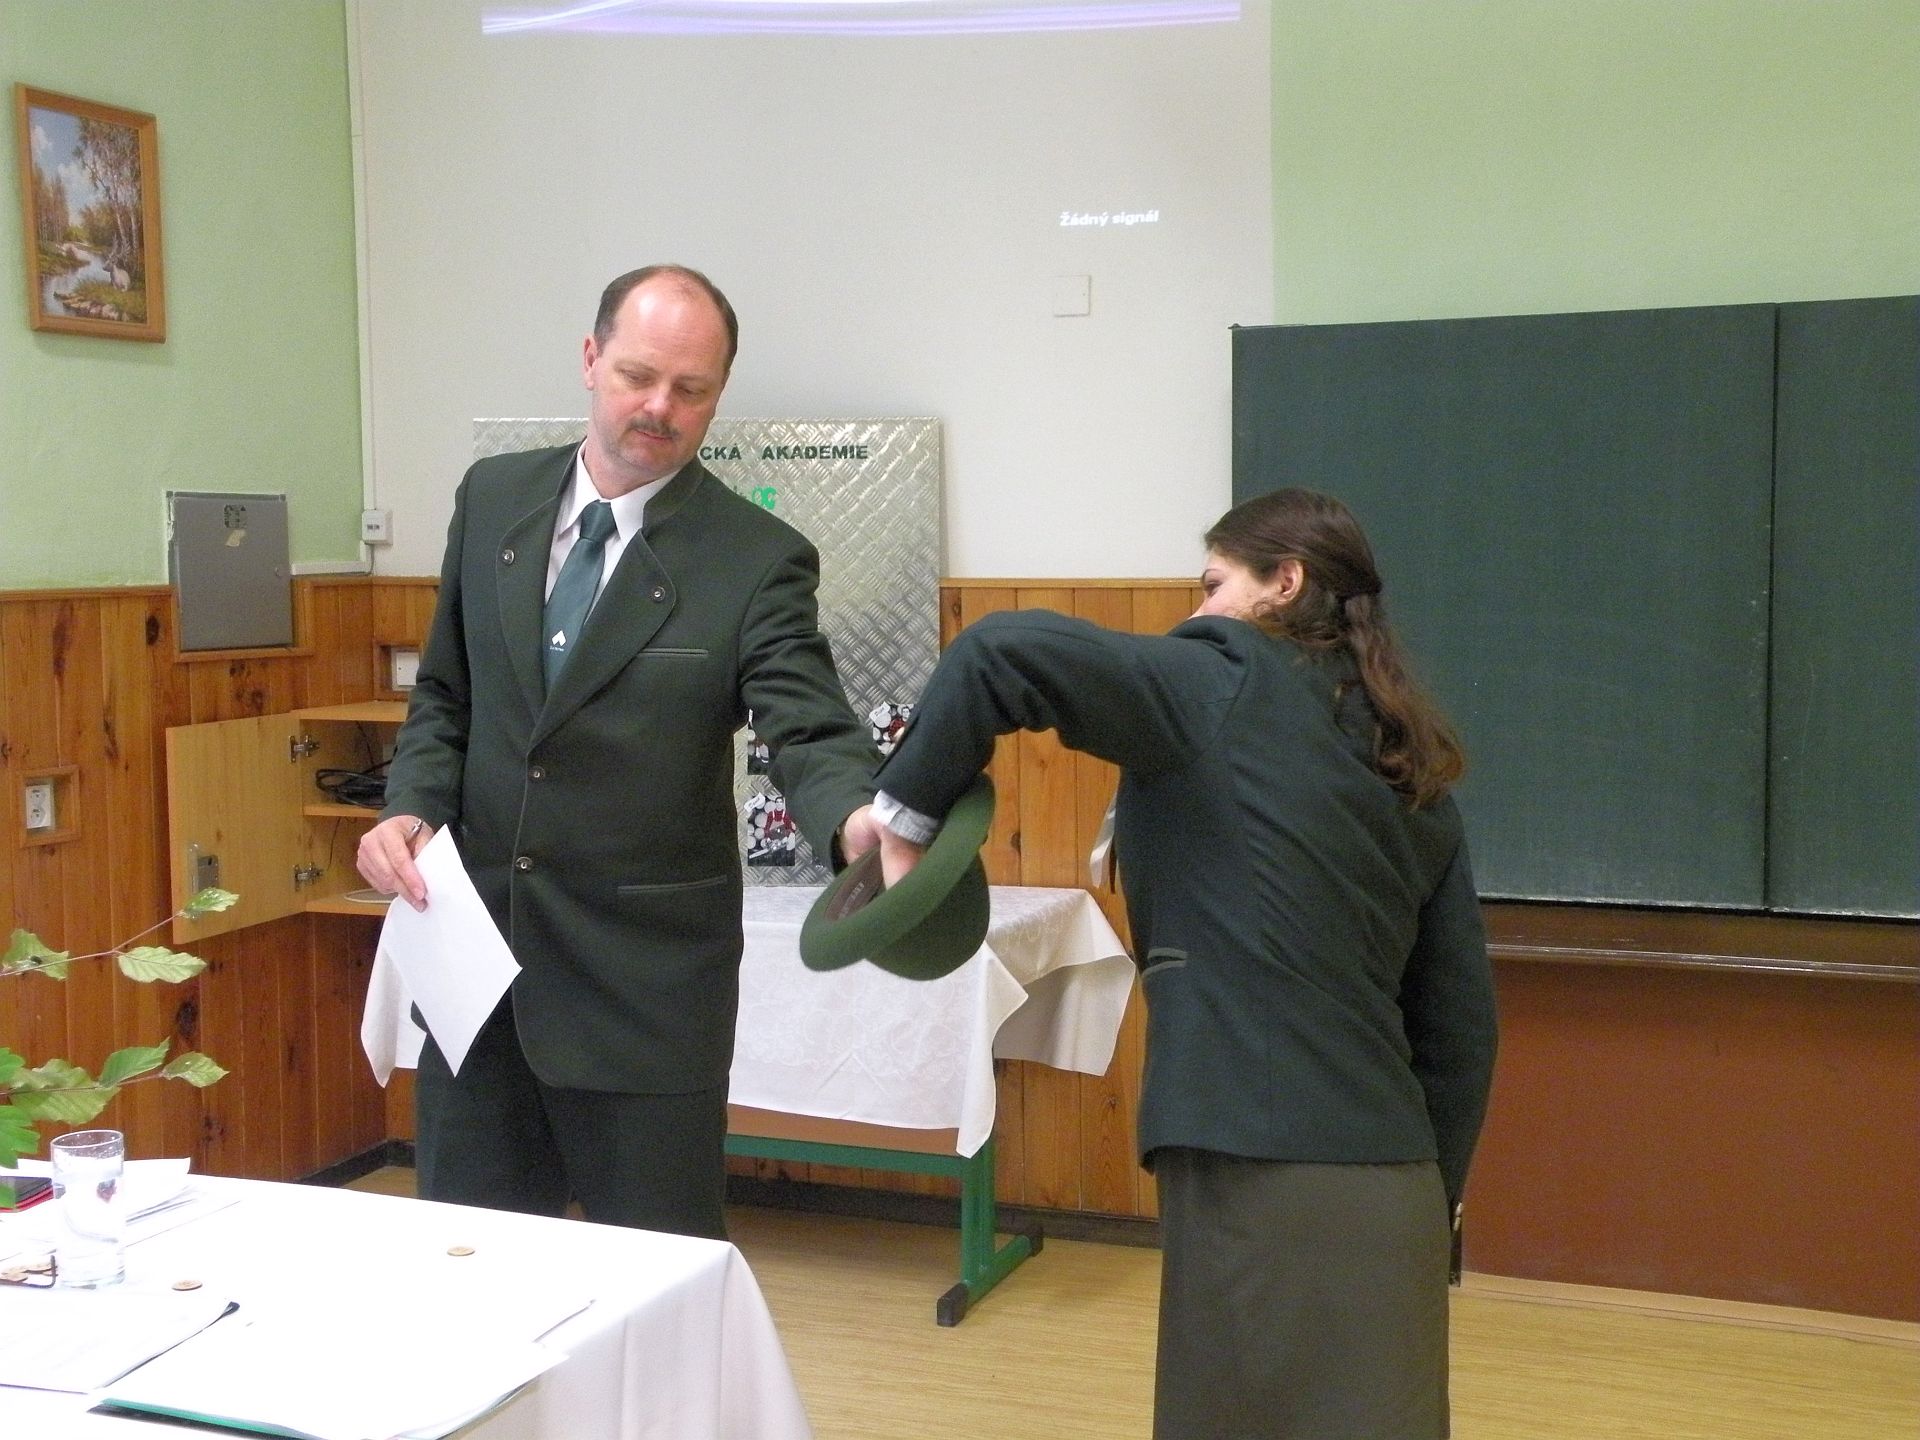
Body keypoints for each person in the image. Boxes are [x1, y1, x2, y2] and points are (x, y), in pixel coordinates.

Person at [869, 488, 1498, 1438]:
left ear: (1284, 584)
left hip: (1255, 1167)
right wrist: (1431, 1201)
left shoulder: (1225, 675)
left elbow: (998, 650)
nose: (1198, 609)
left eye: (1212, 584)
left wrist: (902, 821)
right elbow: (1460, 1030)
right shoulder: (1407, 763)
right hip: (1398, 1187)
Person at [357, 265, 882, 1240]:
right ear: (592, 358)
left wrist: (856, 818)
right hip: (476, 984)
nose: (659, 408)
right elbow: (447, 695)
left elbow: (806, 726)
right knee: (469, 1277)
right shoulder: (493, 498)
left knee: (660, 1283)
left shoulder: (756, 557)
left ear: (719, 393)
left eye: (692, 389)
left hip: (643, 1003)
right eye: (639, 375)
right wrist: (409, 808)